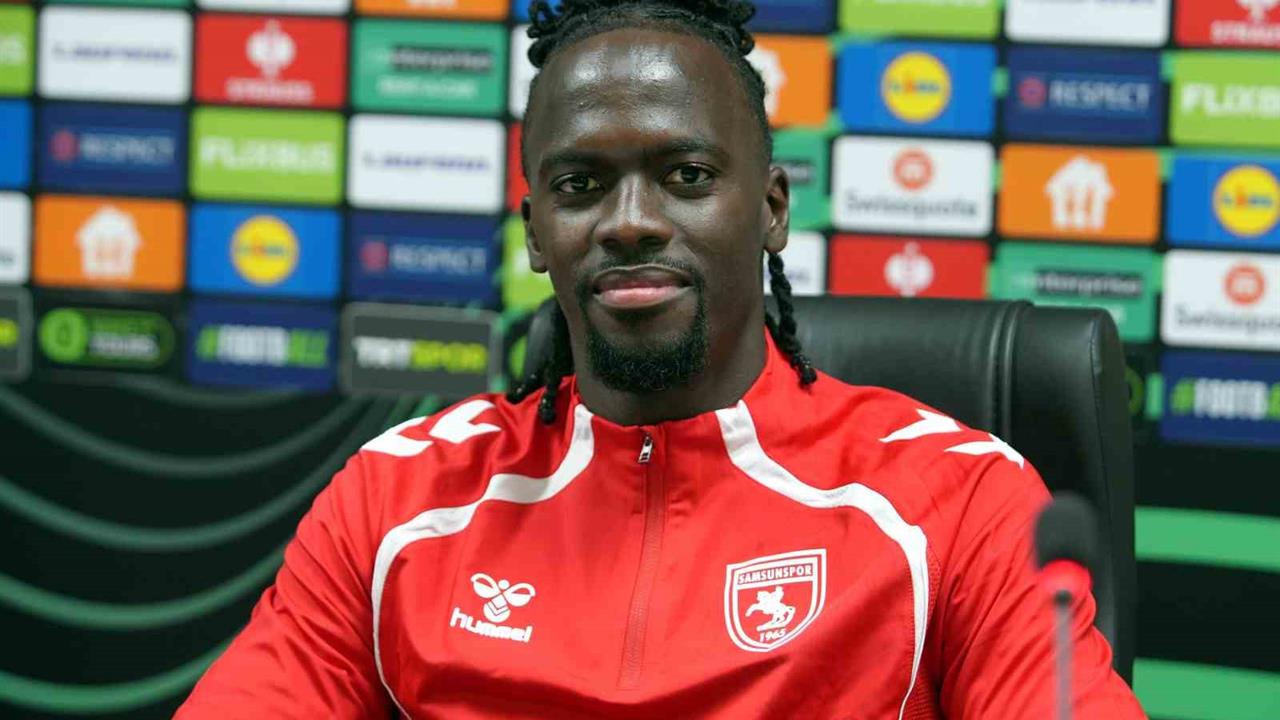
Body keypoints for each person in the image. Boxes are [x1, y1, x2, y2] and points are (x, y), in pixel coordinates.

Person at [176, 0, 1147, 716]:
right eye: (580, 184)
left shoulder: (957, 500)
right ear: (535, 232)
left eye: (685, 175)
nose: (630, 222)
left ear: (770, 209)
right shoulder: (397, 500)